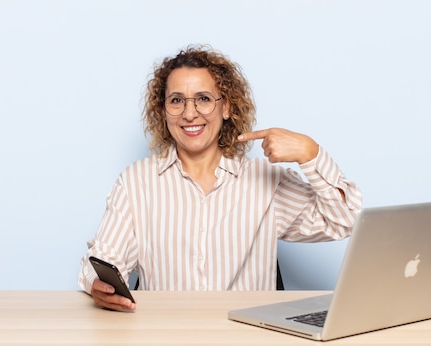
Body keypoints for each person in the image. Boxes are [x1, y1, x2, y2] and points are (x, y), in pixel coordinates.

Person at [78, 45, 362, 311]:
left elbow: (344, 220)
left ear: (226, 107)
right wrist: (97, 284)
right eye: (177, 101)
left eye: (203, 99)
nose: (190, 114)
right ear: (163, 111)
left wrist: (309, 153)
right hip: (165, 339)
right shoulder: (136, 183)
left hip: (248, 340)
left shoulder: (264, 181)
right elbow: (101, 261)